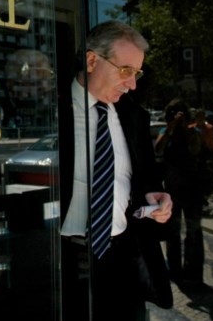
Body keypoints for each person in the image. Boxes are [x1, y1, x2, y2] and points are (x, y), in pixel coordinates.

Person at [59, 21, 173, 320]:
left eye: (137, 74)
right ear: (91, 61)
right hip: (66, 259)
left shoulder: (134, 116)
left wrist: (157, 197)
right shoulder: (53, 112)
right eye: (125, 71)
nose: (132, 84)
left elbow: (147, 174)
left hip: (123, 255)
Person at [154, 99, 207, 287]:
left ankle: (193, 272)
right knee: (172, 232)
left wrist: (187, 129)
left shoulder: (193, 133)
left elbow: (196, 150)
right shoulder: (166, 132)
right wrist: (171, 128)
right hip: (172, 190)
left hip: (192, 189)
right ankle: (175, 270)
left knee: (193, 231)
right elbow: (157, 149)